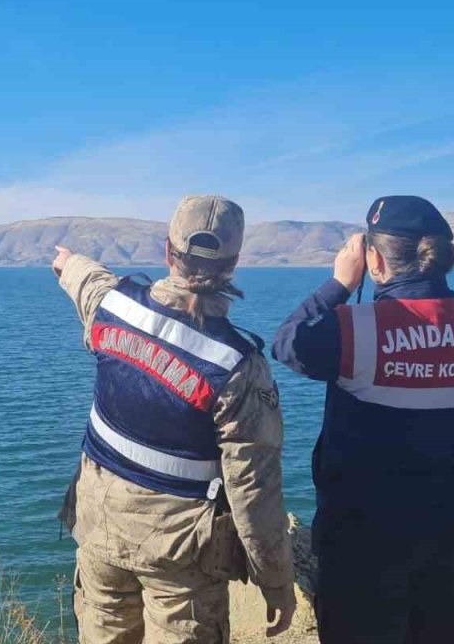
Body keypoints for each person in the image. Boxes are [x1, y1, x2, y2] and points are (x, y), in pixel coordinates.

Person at [53, 195, 296, 644]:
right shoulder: (237, 365)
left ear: (168, 252)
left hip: (99, 527)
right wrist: (275, 580)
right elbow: (253, 490)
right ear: (233, 264)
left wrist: (68, 262)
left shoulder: (113, 307)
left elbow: (87, 281)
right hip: (179, 556)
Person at [272, 196, 454, 644]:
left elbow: (289, 343)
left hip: (365, 534)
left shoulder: (358, 329)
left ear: (374, 259)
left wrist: (340, 283)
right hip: (450, 527)